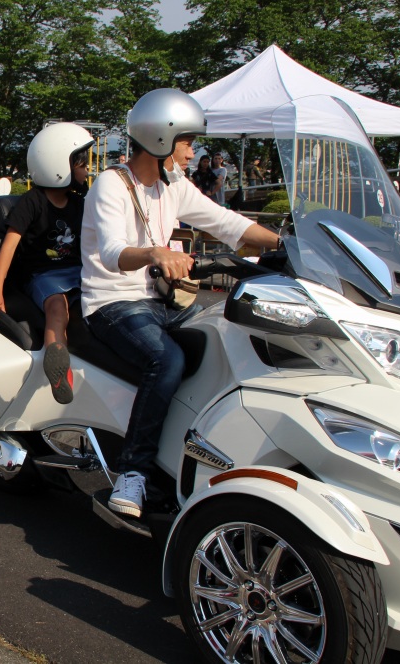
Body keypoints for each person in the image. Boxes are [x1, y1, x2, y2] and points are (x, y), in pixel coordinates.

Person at [80, 88, 280, 517]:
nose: (193, 153)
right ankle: (132, 472)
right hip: (112, 302)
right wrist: (155, 253)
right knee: (166, 360)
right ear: (160, 138)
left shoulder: (173, 186)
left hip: (163, 301)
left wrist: (286, 244)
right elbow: (112, 253)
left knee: (230, 339)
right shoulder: (110, 184)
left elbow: (227, 223)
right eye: (187, 142)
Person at [0, 123, 93, 404]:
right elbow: (9, 245)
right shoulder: (32, 202)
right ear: (60, 165)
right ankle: (58, 365)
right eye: (82, 165)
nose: (87, 171)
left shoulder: (79, 203)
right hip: (44, 275)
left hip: (77, 271)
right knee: (57, 307)